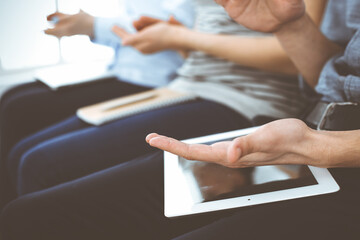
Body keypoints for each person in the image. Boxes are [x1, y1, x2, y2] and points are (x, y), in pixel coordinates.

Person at [1, 0, 360, 239]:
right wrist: (291, 27)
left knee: (40, 165)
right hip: (313, 120)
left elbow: (290, 66)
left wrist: (328, 146)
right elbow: (335, 80)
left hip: (271, 110)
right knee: (25, 203)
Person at [0, 0, 194, 209]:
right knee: (12, 100)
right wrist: (94, 28)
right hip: (124, 69)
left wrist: (95, 25)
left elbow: (172, 29)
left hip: (153, 79)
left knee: (28, 141)